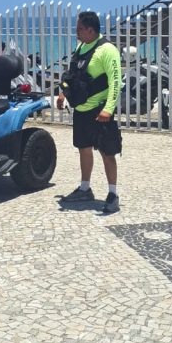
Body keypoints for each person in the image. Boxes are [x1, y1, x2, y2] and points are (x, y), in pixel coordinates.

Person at [57, 11, 123, 213]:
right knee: (83, 148)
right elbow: (73, 75)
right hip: (81, 110)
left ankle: (113, 194)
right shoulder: (81, 47)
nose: (76, 32)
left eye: (79, 29)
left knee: (107, 152)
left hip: (99, 109)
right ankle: (85, 188)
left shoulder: (108, 50)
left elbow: (115, 82)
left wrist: (108, 109)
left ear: (91, 30)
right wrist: (62, 94)